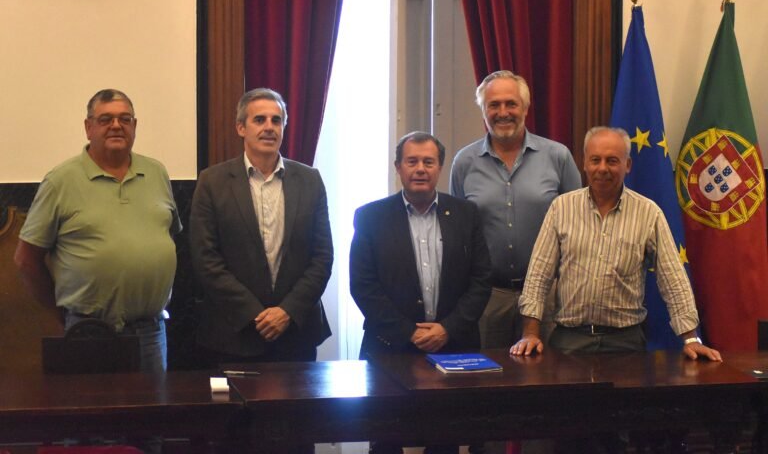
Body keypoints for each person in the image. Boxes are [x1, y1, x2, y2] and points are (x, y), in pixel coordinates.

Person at [512, 126, 721, 361]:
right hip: (569, 340)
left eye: (612, 161)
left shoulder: (648, 212)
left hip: (626, 342)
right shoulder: (561, 208)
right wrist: (530, 333)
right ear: (584, 163)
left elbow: (673, 279)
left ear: (627, 165)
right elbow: (539, 275)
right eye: (595, 160)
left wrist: (691, 338)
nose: (602, 168)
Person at [15, 89, 181, 373]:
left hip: (151, 332)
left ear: (135, 126)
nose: (116, 126)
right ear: (88, 127)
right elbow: (26, 259)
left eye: (124, 119)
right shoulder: (61, 180)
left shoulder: (157, 173)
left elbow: (167, 236)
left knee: (152, 416)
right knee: (94, 415)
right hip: (90, 332)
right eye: (105, 119)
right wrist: (64, 313)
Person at [351, 131, 492, 454]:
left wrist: (448, 328)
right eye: (412, 161)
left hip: (454, 347)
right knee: (386, 438)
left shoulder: (466, 214)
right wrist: (409, 333)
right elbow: (363, 286)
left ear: (440, 167)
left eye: (428, 162)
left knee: (445, 439)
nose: (420, 169)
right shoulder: (371, 217)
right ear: (398, 167)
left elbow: (481, 279)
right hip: (390, 348)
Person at [190, 88, 333, 365]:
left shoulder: (310, 180)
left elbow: (322, 257)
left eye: (276, 120)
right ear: (241, 127)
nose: (269, 127)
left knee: (297, 410)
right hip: (234, 333)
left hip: (295, 334)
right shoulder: (212, 182)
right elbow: (206, 259)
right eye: (260, 120)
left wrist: (286, 312)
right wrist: (254, 313)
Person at [450, 70, 581, 349]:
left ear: (525, 108)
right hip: (488, 297)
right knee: (488, 382)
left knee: (549, 382)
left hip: (549, 295)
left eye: (511, 103)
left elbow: (578, 226)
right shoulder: (464, 162)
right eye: (493, 105)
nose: (503, 112)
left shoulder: (557, 156)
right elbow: (457, 235)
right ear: (483, 111)